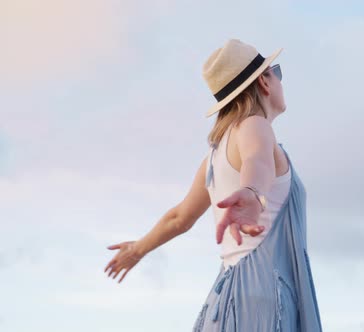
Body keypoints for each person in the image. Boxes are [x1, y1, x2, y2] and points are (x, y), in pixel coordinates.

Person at [104, 39, 323, 331]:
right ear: (264, 82)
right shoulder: (255, 125)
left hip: (226, 298)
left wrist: (138, 249)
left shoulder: (214, 157)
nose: (280, 80)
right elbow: (256, 162)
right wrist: (253, 192)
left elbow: (179, 218)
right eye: (276, 72)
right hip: (264, 297)